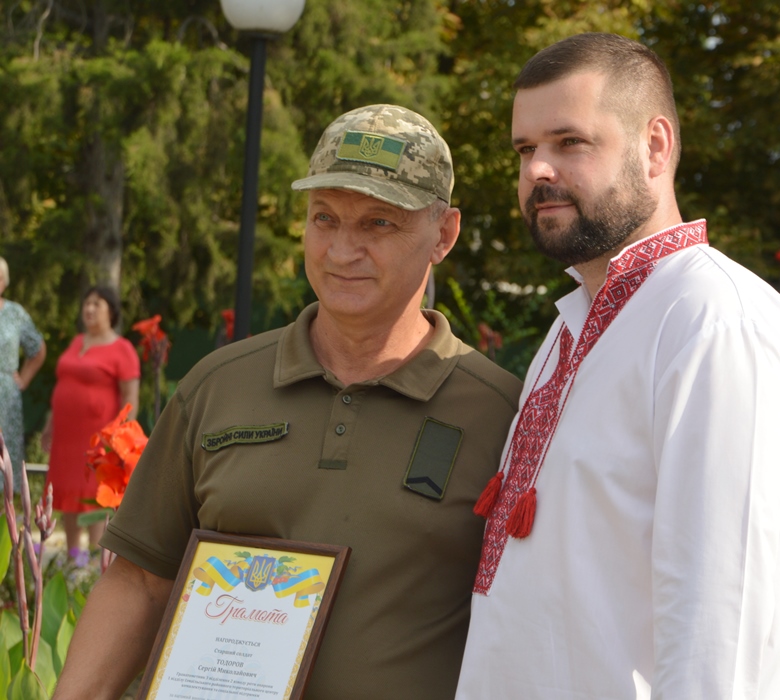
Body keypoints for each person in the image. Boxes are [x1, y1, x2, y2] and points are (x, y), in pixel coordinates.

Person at [52, 104, 523, 700]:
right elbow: (140, 583)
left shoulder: (503, 414)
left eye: (379, 224)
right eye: (325, 218)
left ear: (444, 234)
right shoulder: (216, 386)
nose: (341, 251)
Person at [456, 33, 780, 699]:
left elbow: (721, 624)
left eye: (570, 142)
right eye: (525, 149)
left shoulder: (714, 318)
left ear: (655, 147)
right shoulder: (570, 328)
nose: (537, 170)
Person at [42, 286, 140, 565]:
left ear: (111, 310)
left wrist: (120, 439)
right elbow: (63, 387)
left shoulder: (122, 349)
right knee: (68, 494)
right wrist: (49, 425)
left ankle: (98, 560)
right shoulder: (76, 342)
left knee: (94, 495)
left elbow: (130, 399)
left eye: (96, 304)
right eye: (86, 304)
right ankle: (75, 557)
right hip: (67, 437)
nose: (89, 309)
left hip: (98, 439)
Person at [0, 257, 46, 485]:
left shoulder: (15, 313)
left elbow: (37, 347)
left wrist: (24, 379)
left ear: (5, 282)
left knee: (4, 458)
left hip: (5, 396)